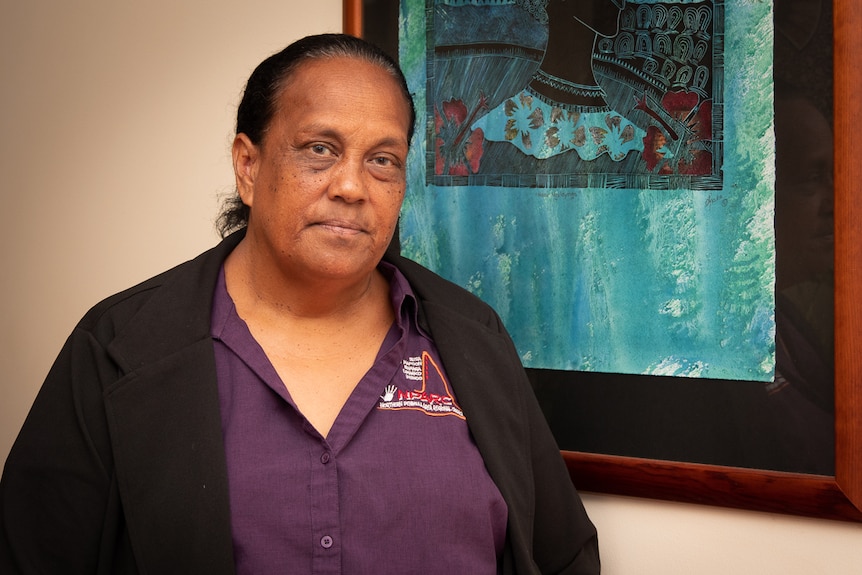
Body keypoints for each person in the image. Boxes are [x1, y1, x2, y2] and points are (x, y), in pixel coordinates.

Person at [0, 33, 599, 574]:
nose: (351, 185)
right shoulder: (118, 348)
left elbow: (564, 556)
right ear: (248, 165)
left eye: (383, 160)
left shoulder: (472, 339)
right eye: (319, 149)